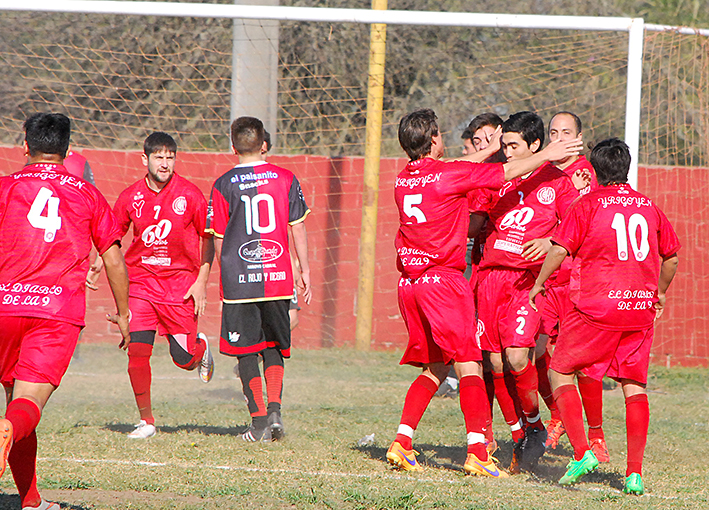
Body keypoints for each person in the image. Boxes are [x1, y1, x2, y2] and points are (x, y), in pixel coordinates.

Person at [386, 108, 581, 477]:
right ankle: (478, 449)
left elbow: (457, 166)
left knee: (436, 367)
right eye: (440, 133)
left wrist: (489, 150)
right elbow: (499, 172)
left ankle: (403, 440)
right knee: (470, 364)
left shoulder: (403, 180)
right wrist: (549, 155)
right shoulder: (450, 175)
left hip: (409, 284)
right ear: (432, 141)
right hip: (442, 283)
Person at [529, 138, 680, 494]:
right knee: (633, 386)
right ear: (626, 167)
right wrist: (658, 293)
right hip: (639, 309)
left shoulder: (588, 204)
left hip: (596, 308)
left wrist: (538, 283)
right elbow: (671, 257)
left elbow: (558, 249)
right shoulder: (649, 206)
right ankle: (634, 474)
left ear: (595, 170)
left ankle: (583, 451)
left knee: (559, 370)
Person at [0, 113, 130, 510]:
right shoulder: (87, 194)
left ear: (25, 146)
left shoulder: (4, 188)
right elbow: (113, 259)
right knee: (25, 408)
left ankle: (32, 501)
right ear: (68, 150)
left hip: (4, 307)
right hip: (54, 313)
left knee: (14, 409)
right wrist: (124, 315)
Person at [87, 132, 215, 440]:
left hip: (180, 286)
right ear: (145, 159)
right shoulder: (131, 196)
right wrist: (98, 263)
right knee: (138, 352)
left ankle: (200, 348)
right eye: (159, 157)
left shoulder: (191, 194)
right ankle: (147, 421)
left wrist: (201, 282)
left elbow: (208, 239)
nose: (165, 163)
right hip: (141, 283)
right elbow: (112, 236)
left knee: (183, 360)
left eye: (170, 157)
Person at [475, 111, 579, 473]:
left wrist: (550, 239)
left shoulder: (558, 182)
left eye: (513, 146)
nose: (507, 153)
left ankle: (535, 422)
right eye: (503, 146)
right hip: (490, 279)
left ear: (536, 146)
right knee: (495, 362)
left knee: (519, 358)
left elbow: (578, 226)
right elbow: (475, 222)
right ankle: (522, 432)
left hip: (527, 282)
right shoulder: (495, 178)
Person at [207, 117, 311, 442]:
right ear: (263, 142)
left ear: (232, 145)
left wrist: (224, 272)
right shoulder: (286, 178)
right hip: (278, 275)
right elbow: (298, 226)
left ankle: (259, 423)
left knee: (245, 349)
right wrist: (304, 269)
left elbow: (220, 239)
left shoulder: (223, 184)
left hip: (239, 282)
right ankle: (276, 410)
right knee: (274, 344)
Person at [538, 111, 607, 457]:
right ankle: (558, 414)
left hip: (577, 282)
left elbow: (588, 227)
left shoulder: (587, 175)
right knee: (536, 350)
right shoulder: (544, 171)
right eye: (554, 132)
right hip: (545, 280)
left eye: (567, 132)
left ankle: (595, 435)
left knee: (578, 361)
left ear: (579, 137)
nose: (560, 138)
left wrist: (550, 239)